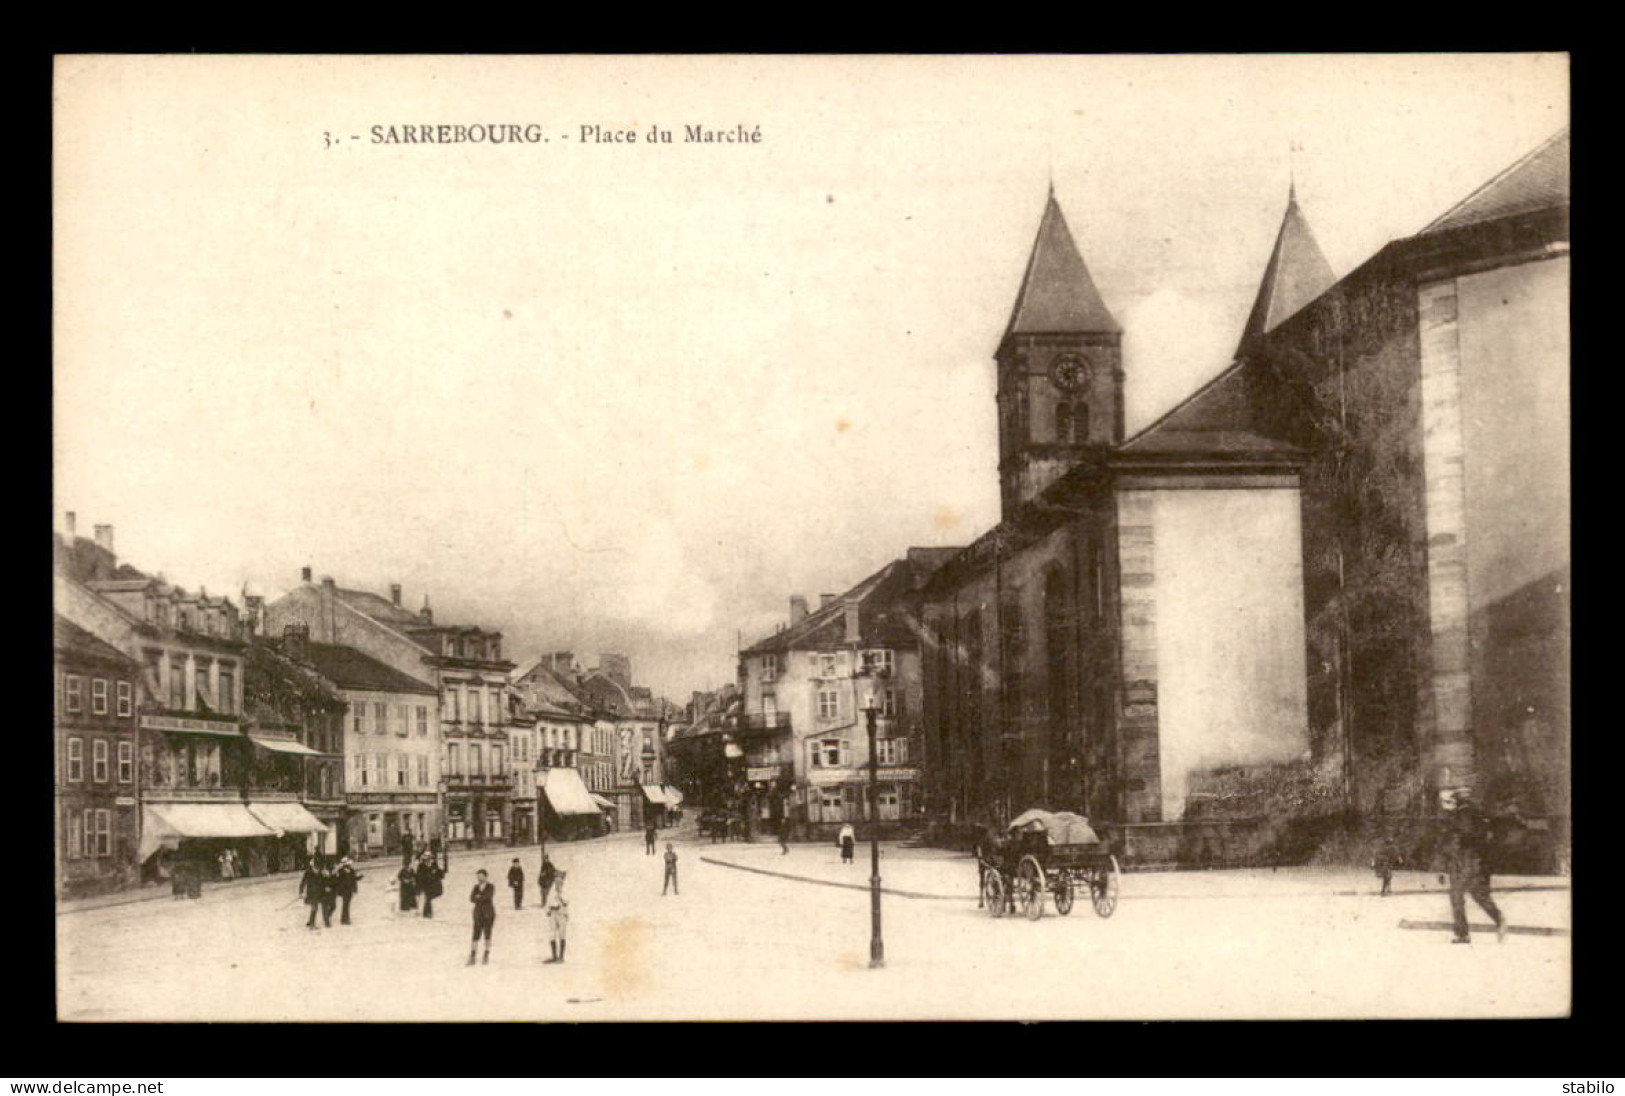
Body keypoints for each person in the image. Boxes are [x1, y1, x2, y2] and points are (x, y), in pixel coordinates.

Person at [1435, 786, 1507, 944]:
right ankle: (1497, 918)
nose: (1445, 805)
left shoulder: (1464, 814)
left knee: (1458, 895)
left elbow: (1461, 837)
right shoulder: (1461, 815)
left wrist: (1452, 823)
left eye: (1448, 801)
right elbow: (1446, 843)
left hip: (1467, 860)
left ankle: (1463, 933)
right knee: (1475, 895)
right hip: (1465, 861)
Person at [469, 869, 497, 966]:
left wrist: (478, 897)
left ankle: (486, 954)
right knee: (475, 935)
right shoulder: (475, 887)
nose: (479, 878)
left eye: (481, 876)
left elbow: (488, 897)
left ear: (486, 876)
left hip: (488, 914)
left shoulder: (490, 886)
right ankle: (472, 955)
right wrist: (479, 897)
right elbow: (471, 898)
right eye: (478, 876)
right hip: (478, 914)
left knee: (487, 934)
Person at [543, 870, 569, 963]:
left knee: (562, 934)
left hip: (561, 913)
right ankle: (554, 956)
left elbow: (566, 902)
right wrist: (548, 910)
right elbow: (548, 901)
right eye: (556, 879)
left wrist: (560, 895)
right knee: (552, 934)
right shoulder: (552, 890)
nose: (557, 882)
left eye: (559, 879)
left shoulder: (565, 890)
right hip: (553, 913)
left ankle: (561, 957)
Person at [300, 858, 330, 929]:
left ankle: (316, 922)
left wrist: (327, 884)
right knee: (314, 908)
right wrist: (301, 892)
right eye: (316, 867)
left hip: (320, 893)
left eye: (318, 867)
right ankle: (311, 925)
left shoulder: (321, 872)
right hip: (312, 893)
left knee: (321, 907)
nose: (318, 869)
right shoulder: (308, 873)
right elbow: (303, 883)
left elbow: (324, 881)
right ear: (312, 866)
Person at [416, 853, 444, 919]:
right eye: (427, 859)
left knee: (429, 898)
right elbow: (419, 876)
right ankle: (427, 913)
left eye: (430, 859)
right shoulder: (421, 866)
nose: (429, 860)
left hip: (434, 885)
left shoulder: (434, 865)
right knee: (428, 898)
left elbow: (441, 874)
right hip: (426, 885)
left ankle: (427, 912)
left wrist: (437, 872)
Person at [334, 857, 360, 924]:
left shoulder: (351, 870)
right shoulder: (341, 871)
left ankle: (346, 919)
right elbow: (338, 881)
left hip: (350, 890)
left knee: (347, 904)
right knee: (345, 904)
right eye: (347, 864)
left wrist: (359, 877)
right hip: (344, 890)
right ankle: (344, 919)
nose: (349, 865)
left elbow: (354, 879)